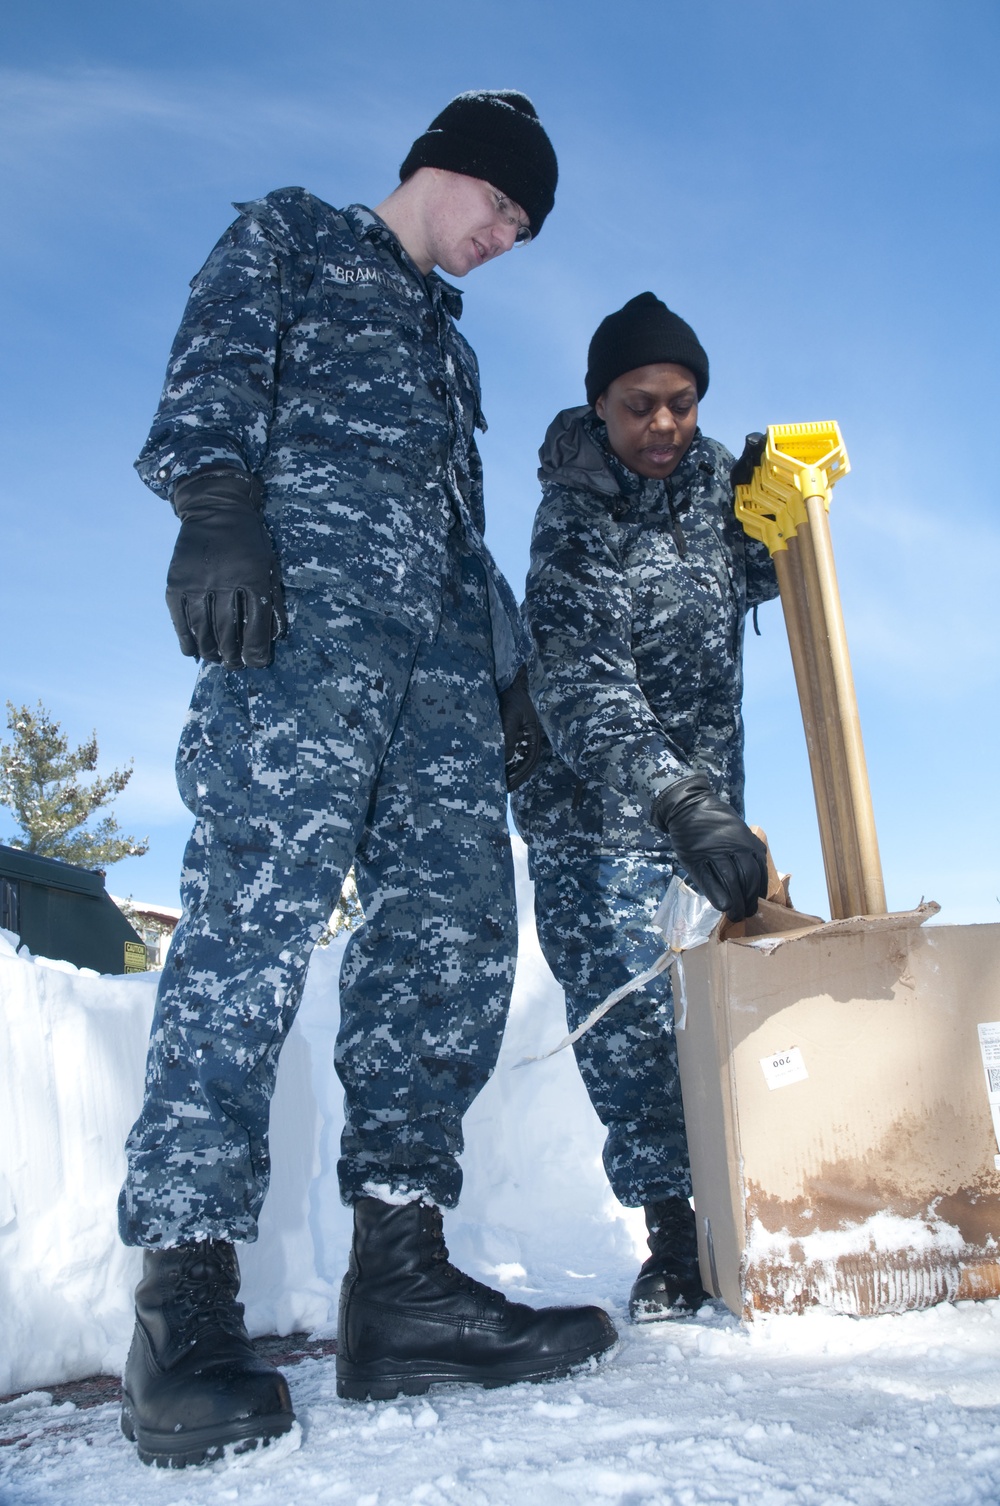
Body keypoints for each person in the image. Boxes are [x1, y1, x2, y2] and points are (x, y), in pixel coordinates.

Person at [119, 91, 616, 1470]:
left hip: (440, 681)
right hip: (299, 641)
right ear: (446, 168)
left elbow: (459, 532)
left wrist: (507, 673)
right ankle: (185, 1306)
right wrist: (216, 509)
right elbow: (210, 373)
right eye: (503, 211)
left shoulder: (448, 354)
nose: (506, 240)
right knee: (248, 935)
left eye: (523, 228)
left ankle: (401, 1285)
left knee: (454, 934)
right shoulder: (294, 240)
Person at [512, 292, 778, 1323]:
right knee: (633, 1046)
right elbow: (580, 681)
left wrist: (770, 516)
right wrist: (682, 803)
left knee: (712, 1026)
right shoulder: (574, 513)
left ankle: (745, 1218)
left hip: (696, 814)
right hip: (600, 823)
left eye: (681, 403)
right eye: (638, 407)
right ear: (598, 406)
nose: (663, 426)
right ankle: (673, 1239)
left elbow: (745, 583)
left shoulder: (707, 480)